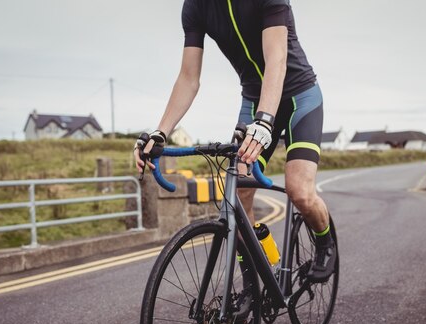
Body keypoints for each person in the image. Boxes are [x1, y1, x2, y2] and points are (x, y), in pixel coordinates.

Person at [133, 0, 335, 282]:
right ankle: (252, 280)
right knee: (237, 193)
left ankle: (325, 243)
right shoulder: (195, 7)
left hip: (299, 98)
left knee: (299, 190)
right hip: (253, 102)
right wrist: (161, 131)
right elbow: (189, 78)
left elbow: (276, 59)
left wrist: (265, 121)